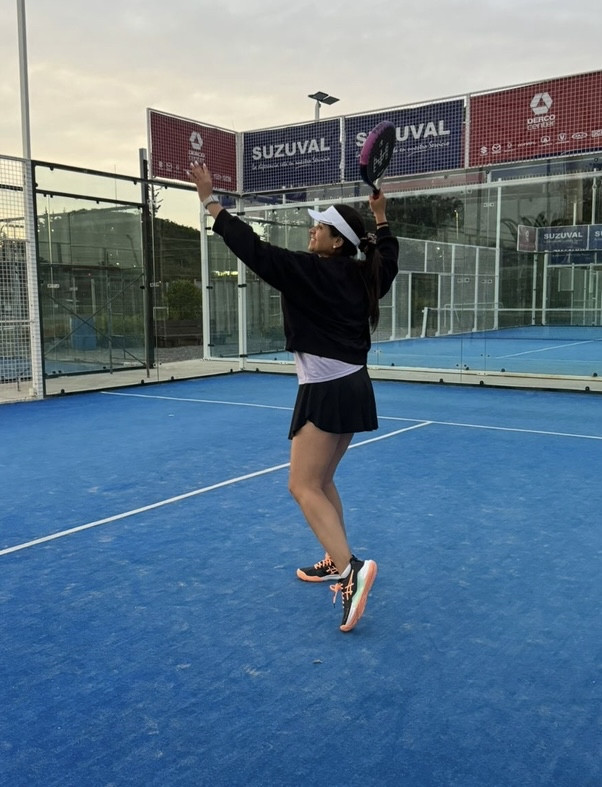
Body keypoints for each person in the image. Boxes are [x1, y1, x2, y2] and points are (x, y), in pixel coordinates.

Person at [189, 162, 399, 632]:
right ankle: (336, 557)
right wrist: (381, 219)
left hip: (325, 390)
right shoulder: (367, 275)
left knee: (301, 486)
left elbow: (253, 249)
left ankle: (352, 572)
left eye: (321, 227)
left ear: (338, 242)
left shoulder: (309, 272)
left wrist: (210, 202)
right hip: (354, 388)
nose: (312, 231)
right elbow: (388, 258)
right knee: (321, 481)